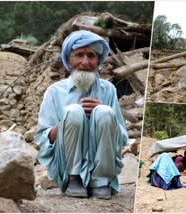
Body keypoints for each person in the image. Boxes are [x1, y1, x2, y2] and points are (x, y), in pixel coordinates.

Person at [35, 30, 128, 200]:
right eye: (79, 55)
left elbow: (122, 137)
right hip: (65, 163)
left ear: (98, 61)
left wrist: (104, 114)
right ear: (69, 61)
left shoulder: (108, 90)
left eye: (91, 56)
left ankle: (101, 181)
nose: (85, 62)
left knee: (105, 112)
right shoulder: (54, 92)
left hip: (103, 165)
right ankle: (74, 178)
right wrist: (66, 121)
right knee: (73, 111)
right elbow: (43, 138)